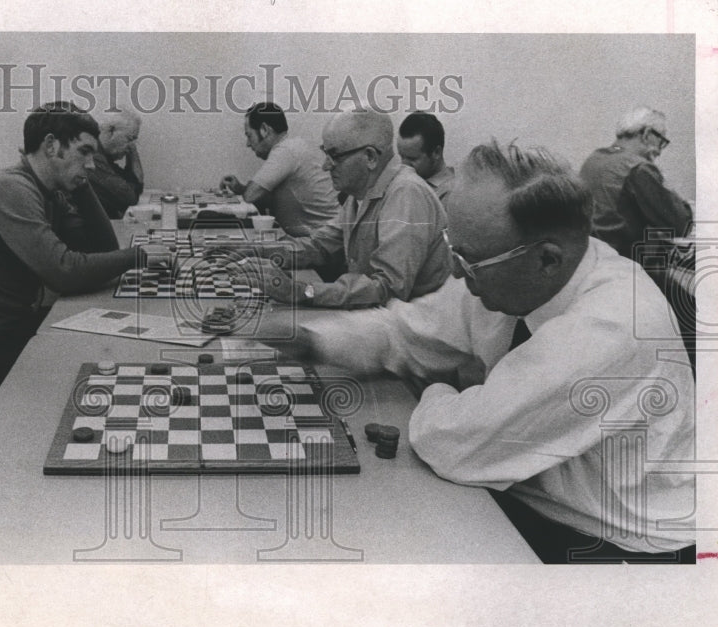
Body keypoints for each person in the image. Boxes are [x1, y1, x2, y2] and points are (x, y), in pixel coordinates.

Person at [265, 141, 695, 563]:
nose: (454, 271)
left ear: (547, 259)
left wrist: (438, 388)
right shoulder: (511, 271)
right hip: (525, 491)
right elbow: (405, 331)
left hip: (611, 540)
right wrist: (313, 340)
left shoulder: (612, 326)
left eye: (467, 261)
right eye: (455, 252)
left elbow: (454, 444)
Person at [0, 102, 145, 394]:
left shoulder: (48, 191)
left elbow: (104, 248)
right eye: (84, 152)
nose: (92, 164)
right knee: (106, 376)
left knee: (119, 354)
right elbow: (64, 272)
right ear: (51, 145)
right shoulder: (11, 188)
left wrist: (81, 182)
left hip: (16, 328)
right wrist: (139, 256)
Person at [233, 108, 449, 308]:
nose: (326, 166)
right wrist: (260, 251)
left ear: (370, 157)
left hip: (412, 336)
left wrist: (300, 291)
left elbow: (388, 290)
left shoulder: (406, 193)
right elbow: (319, 247)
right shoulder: (362, 193)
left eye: (334, 156)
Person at [579, 106, 693, 284]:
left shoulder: (594, 159)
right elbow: (681, 224)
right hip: (625, 267)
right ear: (647, 134)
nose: (660, 150)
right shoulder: (639, 168)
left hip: (591, 260)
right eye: (661, 141)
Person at [219, 102, 338, 237]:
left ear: (264, 129)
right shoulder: (295, 145)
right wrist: (240, 188)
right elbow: (275, 200)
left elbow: (250, 196)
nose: (247, 144)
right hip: (326, 236)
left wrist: (244, 191)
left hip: (322, 242)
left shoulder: (285, 151)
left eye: (249, 135)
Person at [87, 108, 145, 218]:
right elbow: (129, 197)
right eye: (129, 138)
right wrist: (132, 150)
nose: (132, 146)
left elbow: (137, 185)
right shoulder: (93, 156)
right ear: (110, 131)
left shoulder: (105, 157)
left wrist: (131, 148)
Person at [397, 112, 455, 204]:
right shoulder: (404, 184)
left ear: (436, 153)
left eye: (412, 159)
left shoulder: (453, 195)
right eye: (402, 156)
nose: (404, 166)